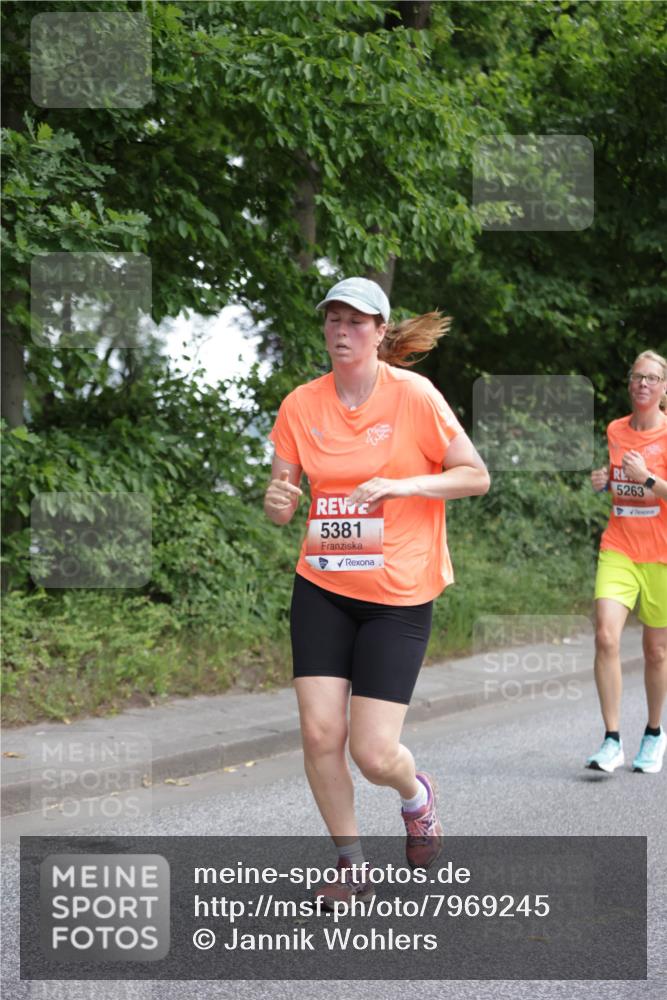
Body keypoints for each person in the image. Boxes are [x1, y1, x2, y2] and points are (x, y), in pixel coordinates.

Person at [263, 276, 490, 906]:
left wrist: (405, 486)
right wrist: (278, 500)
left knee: (372, 751)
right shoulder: (300, 405)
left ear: (380, 331)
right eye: (333, 321)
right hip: (324, 584)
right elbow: (283, 501)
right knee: (318, 734)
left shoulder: (414, 396)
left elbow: (475, 476)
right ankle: (350, 860)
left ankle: (415, 797)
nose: (342, 332)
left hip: (399, 593)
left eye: (356, 322)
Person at [586, 349, 667, 774]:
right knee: (606, 637)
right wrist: (606, 479)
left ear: (664, 389)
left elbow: (651, 486)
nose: (643, 384)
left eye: (652, 378)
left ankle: (654, 732)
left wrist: (648, 479)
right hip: (619, 547)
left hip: (662, 556)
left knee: (656, 652)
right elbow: (620, 479)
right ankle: (612, 739)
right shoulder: (615, 429)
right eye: (637, 376)